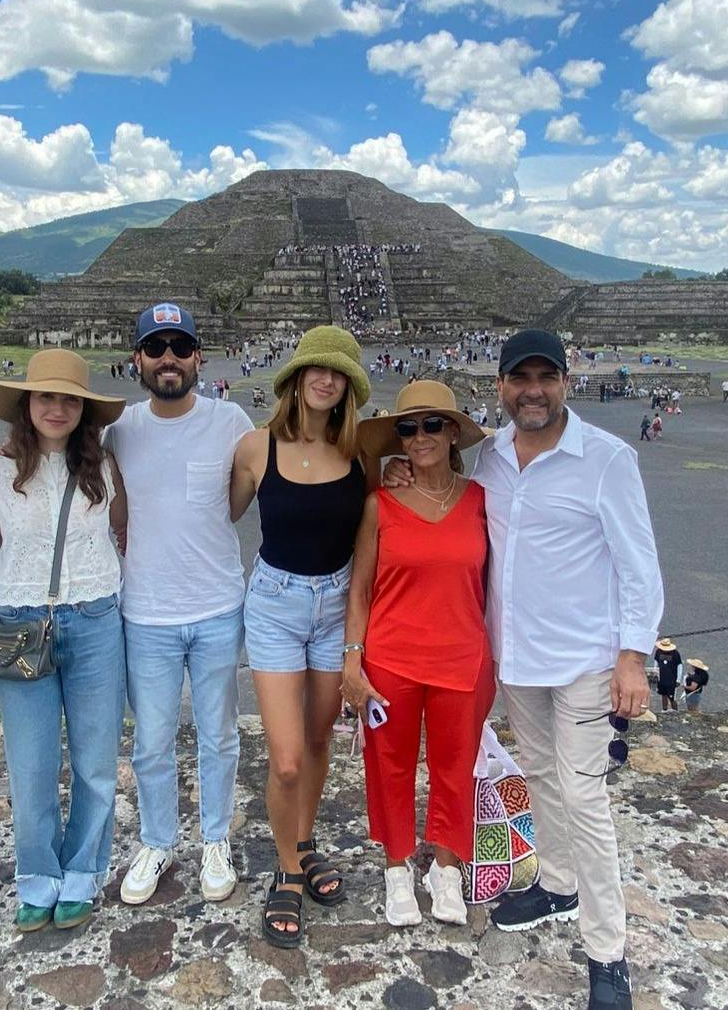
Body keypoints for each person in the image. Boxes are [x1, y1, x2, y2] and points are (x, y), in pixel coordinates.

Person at [391, 329, 661, 1009]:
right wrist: (400, 470)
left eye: (546, 377)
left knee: (586, 797)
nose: (533, 390)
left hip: (585, 662)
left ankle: (608, 954)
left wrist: (633, 656)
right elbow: (447, 501)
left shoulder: (606, 459)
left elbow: (639, 565)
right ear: (502, 387)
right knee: (541, 776)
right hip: (516, 657)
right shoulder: (490, 461)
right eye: (521, 378)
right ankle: (558, 883)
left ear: (567, 382)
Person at [0, 348, 128, 934]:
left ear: (83, 409)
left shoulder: (106, 470)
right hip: (20, 628)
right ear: (26, 405)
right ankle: (37, 875)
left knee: (94, 762)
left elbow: (125, 529)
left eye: (68, 398)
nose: (56, 408)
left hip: (94, 622)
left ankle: (83, 871)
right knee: (31, 765)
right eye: (46, 397)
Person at [228, 326, 370, 945]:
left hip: (337, 606)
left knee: (317, 741)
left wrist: (354, 646)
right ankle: (286, 869)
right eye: (316, 368)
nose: (326, 379)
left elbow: (368, 554)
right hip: (276, 605)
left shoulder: (361, 453)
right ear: (294, 378)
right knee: (285, 758)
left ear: (348, 387)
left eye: (338, 373)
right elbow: (222, 515)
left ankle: (303, 842)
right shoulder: (256, 449)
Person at [107, 304, 252, 910]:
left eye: (181, 346)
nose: (169, 357)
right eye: (156, 346)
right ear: (137, 358)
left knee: (219, 735)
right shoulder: (120, 429)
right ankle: (158, 841)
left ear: (199, 357)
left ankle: (215, 838)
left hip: (218, 605)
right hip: (146, 611)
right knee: (153, 739)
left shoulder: (233, 421)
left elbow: (242, 500)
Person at [342, 382, 491, 931]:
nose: (420, 437)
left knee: (457, 767)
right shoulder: (379, 504)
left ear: (453, 432)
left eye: (432, 425)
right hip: (392, 658)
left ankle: (446, 866)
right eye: (408, 428)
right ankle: (397, 866)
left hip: (463, 657)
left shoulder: (480, 501)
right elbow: (359, 589)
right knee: (389, 767)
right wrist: (352, 661)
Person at [653, 638, 682, 712]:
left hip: (672, 680)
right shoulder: (658, 652)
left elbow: (679, 666)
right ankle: (664, 710)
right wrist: (655, 673)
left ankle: (675, 711)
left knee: (672, 697)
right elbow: (656, 662)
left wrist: (678, 679)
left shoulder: (675, 654)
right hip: (661, 678)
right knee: (663, 694)